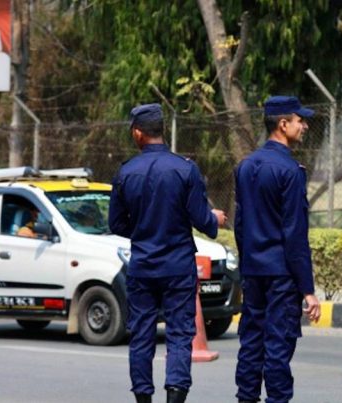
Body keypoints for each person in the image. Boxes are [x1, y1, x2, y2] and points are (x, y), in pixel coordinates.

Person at [109, 103, 226, 403]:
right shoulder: (185, 169)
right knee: (179, 336)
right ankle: (175, 397)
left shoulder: (125, 173)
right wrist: (216, 219)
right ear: (160, 131)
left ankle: (143, 398)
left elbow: (116, 223)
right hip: (178, 268)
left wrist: (144, 231)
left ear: (138, 133)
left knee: (142, 336)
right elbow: (203, 221)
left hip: (143, 268)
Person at [234, 95, 321, 403]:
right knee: (278, 348)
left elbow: (240, 224)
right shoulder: (290, 171)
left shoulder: (245, 166)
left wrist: (248, 264)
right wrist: (307, 289)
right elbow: (295, 235)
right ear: (283, 125)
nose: (305, 125)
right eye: (300, 120)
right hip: (281, 274)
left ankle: (246, 398)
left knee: (252, 342)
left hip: (254, 271)